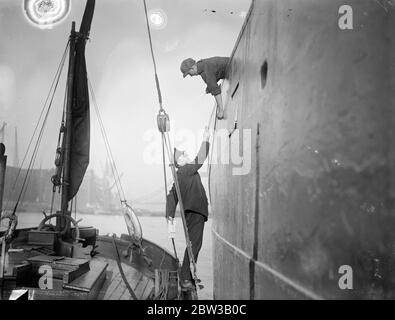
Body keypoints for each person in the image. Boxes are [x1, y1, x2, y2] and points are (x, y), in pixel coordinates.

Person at [166, 127, 211, 290]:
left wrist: (169, 216)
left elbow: (172, 196)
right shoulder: (187, 170)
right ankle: (185, 279)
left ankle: (188, 276)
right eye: (184, 155)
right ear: (180, 162)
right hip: (196, 212)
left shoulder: (179, 176)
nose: (187, 156)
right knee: (195, 245)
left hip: (190, 213)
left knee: (193, 244)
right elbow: (201, 158)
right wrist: (205, 139)